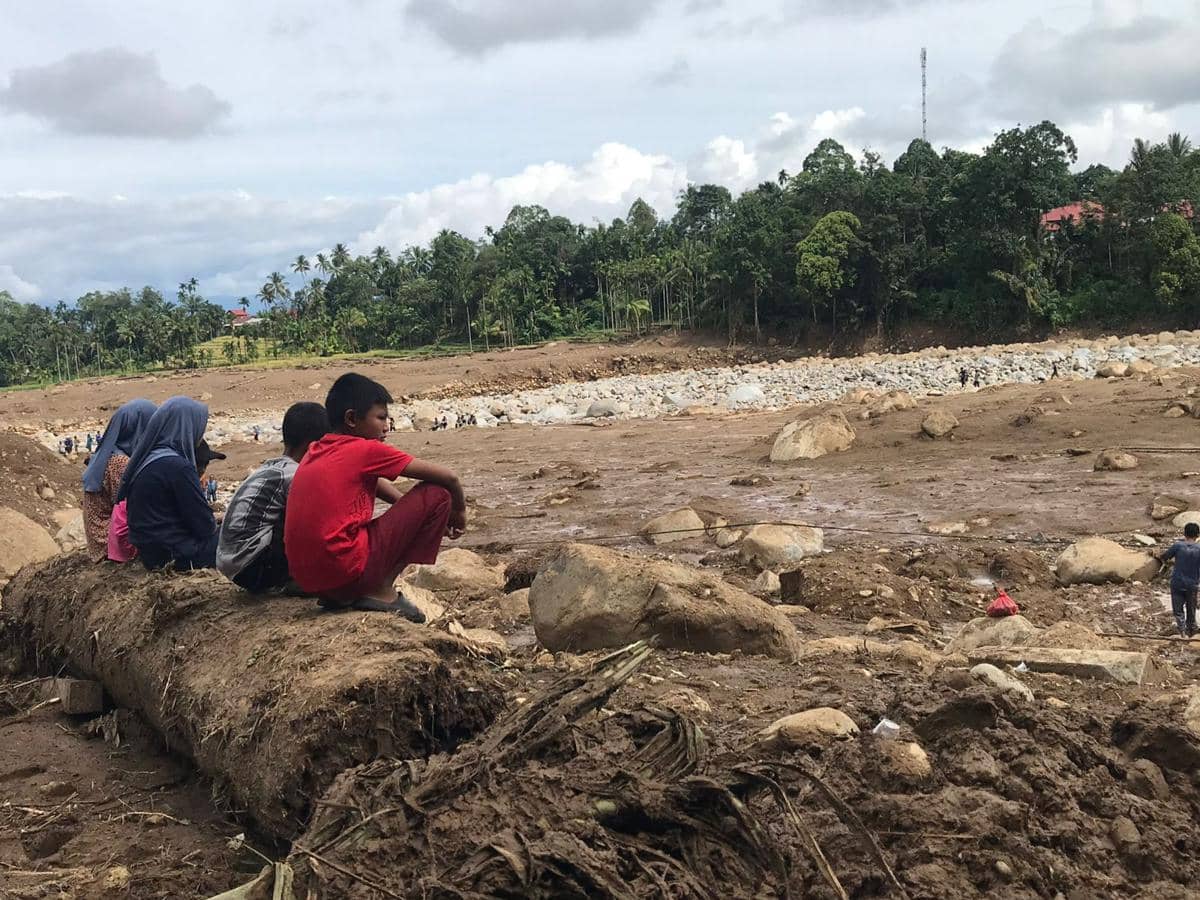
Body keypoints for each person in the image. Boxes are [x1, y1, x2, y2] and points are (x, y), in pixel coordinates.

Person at [284, 373, 466, 618]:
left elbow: (374, 482)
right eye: (380, 418)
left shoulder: (318, 448)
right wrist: (458, 513)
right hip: (344, 571)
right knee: (438, 494)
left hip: (312, 580)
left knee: (421, 503)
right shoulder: (364, 449)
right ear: (351, 419)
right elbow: (449, 478)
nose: (386, 426)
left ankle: (345, 593)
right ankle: (381, 590)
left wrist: (412, 515)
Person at [218, 402, 330, 592]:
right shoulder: (297, 475)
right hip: (254, 567)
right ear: (314, 446)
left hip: (231, 562)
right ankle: (296, 580)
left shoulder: (272, 467)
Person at [118, 396, 219, 571]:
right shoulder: (178, 467)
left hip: (150, 554)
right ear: (186, 426)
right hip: (176, 555)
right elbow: (204, 526)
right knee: (237, 534)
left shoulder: (148, 459)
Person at [81, 399, 156, 561]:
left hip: (101, 535)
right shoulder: (120, 462)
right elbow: (130, 505)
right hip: (107, 539)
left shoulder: (108, 453)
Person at [1160, 522, 1200, 637]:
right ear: (1197, 535)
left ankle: (1182, 631)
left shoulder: (1178, 546)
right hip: (1192, 584)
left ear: (1184, 534)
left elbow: (1164, 557)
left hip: (1177, 582)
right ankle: (1192, 629)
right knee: (1191, 608)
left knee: (1178, 610)